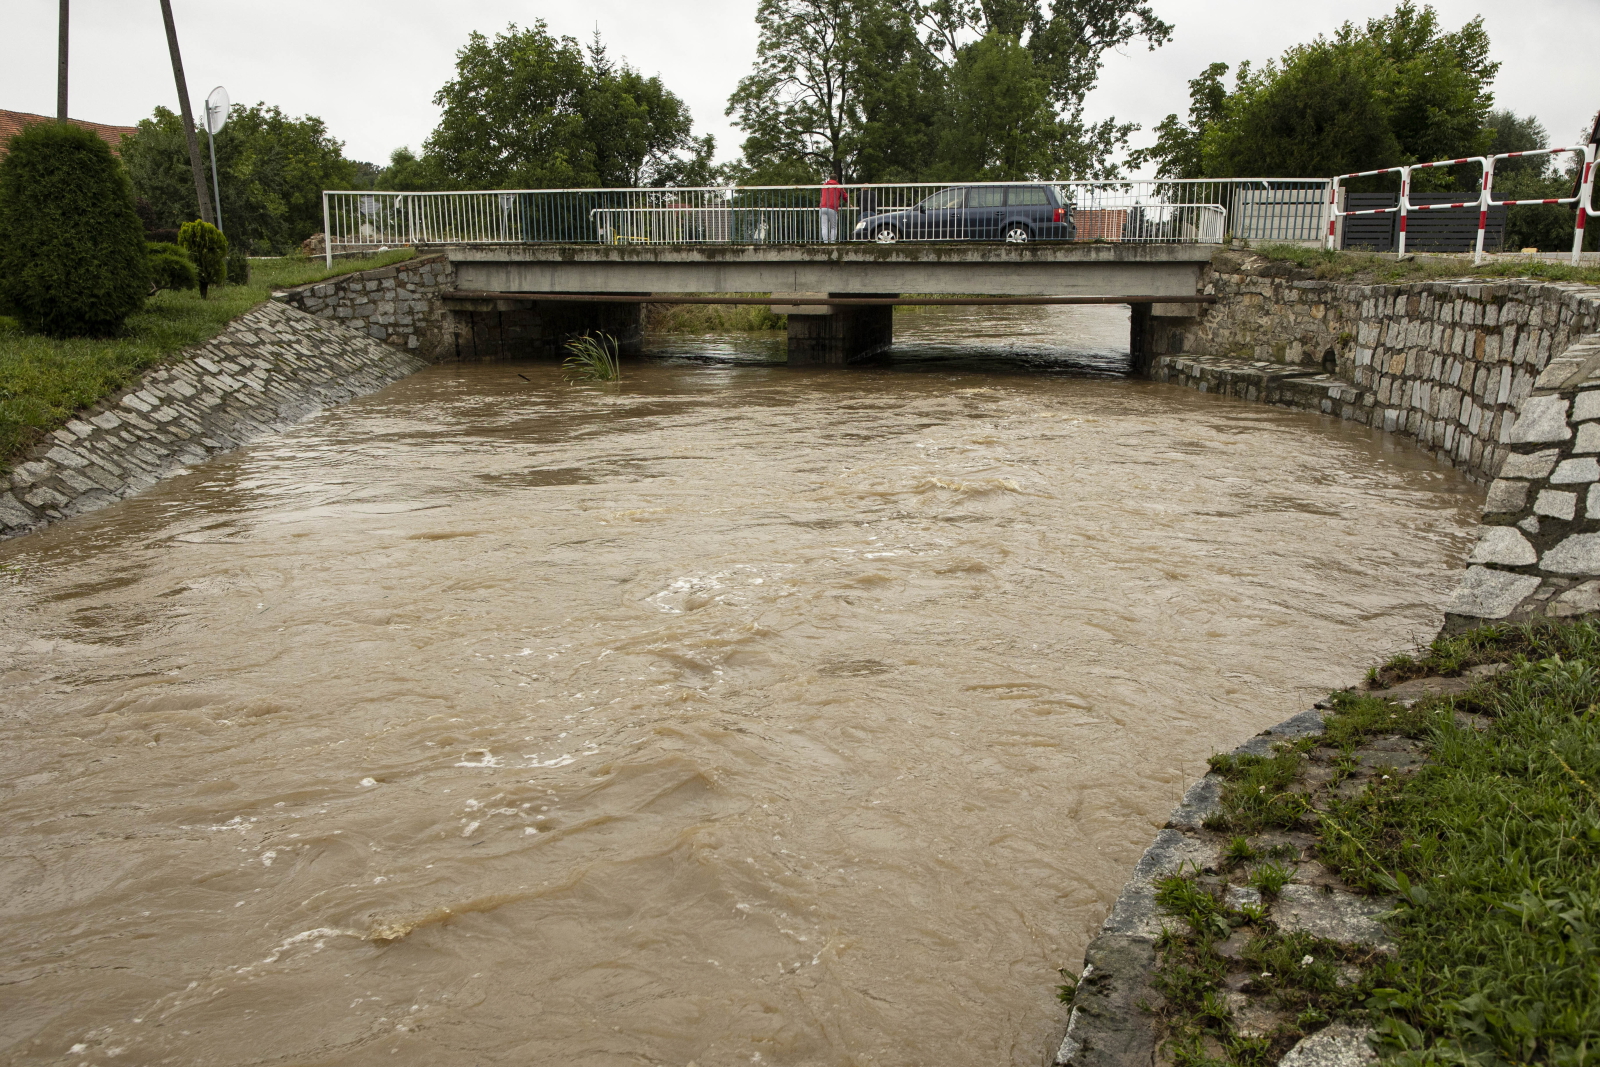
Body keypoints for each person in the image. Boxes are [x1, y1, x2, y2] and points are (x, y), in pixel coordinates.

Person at [819, 177, 844, 243]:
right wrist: (849, 204)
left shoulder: (824, 185)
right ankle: (832, 242)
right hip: (832, 208)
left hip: (823, 207)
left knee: (824, 227)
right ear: (837, 179)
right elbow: (844, 196)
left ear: (830, 179)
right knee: (833, 227)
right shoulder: (838, 186)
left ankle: (825, 242)